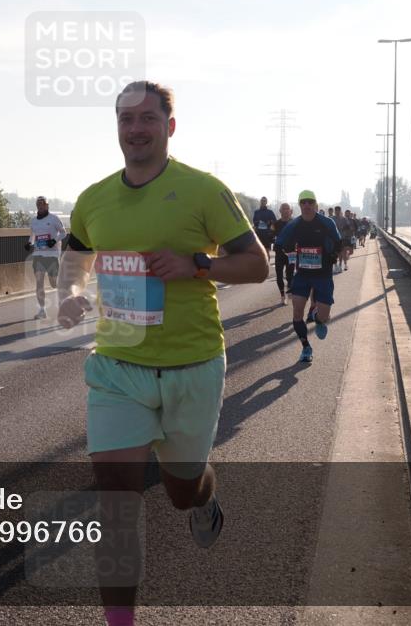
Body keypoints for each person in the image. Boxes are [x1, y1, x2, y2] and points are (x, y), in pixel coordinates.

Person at [57, 81, 268, 626]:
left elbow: (257, 264)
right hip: (117, 368)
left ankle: (202, 497)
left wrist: (198, 265)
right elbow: (75, 257)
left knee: (180, 491)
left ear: (169, 127)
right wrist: (72, 294)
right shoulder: (93, 199)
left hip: (191, 366)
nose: (136, 129)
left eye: (147, 118)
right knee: (115, 504)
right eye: (126, 119)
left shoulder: (203, 190)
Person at [274, 190, 341, 363]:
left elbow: (339, 242)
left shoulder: (326, 222)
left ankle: (318, 319)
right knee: (297, 312)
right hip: (302, 274)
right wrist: (286, 250)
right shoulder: (294, 224)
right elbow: (279, 244)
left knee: (324, 316)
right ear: (299, 205)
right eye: (303, 202)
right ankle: (306, 347)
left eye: (310, 202)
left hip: (323, 275)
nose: (307, 205)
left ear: (315, 204)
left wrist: (333, 255)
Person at [26, 196, 67, 319]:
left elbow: (64, 233)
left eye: (42, 204)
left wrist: (54, 241)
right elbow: (33, 236)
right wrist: (29, 243)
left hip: (52, 255)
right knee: (39, 283)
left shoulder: (54, 218)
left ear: (47, 205)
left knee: (54, 283)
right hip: (38, 254)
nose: (40, 206)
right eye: (38, 204)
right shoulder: (34, 221)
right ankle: (42, 310)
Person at [271, 203, 296, 305]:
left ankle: (290, 288)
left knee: (290, 275)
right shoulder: (276, 224)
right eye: (283, 209)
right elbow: (270, 236)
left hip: (292, 252)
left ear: (291, 211)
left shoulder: (295, 223)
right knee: (279, 275)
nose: (286, 210)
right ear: (280, 211)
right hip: (279, 252)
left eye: (287, 209)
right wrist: (274, 241)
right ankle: (282, 296)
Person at [252, 197, 277, 261]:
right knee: (259, 251)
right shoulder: (256, 212)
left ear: (266, 202)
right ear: (260, 202)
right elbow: (254, 221)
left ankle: (267, 264)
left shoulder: (270, 212)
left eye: (264, 201)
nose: (263, 202)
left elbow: (275, 221)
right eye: (262, 201)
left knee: (267, 251)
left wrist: (269, 222)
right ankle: (260, 265)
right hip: (258, 234)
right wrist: (258, 222)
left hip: (267, 234)